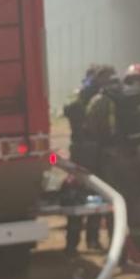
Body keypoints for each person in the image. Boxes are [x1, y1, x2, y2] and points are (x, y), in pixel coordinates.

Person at [61, 64, 116, 253]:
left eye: (108, 78)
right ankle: (72, 243)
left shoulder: (109, 97)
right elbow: (69, 110)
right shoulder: (78, 95)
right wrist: (85, 92)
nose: (104, 82)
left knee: (98, 196)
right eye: (100, 77)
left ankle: (93, 240)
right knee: (76, 195)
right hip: (80, 151)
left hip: (101, 152)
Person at [111, 63, 140, 256]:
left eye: (138, 80)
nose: (135, 85)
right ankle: (139, 241)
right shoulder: (126, 101)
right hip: (136, 155)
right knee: (139, 197)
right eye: (133, 81)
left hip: (138, 154)